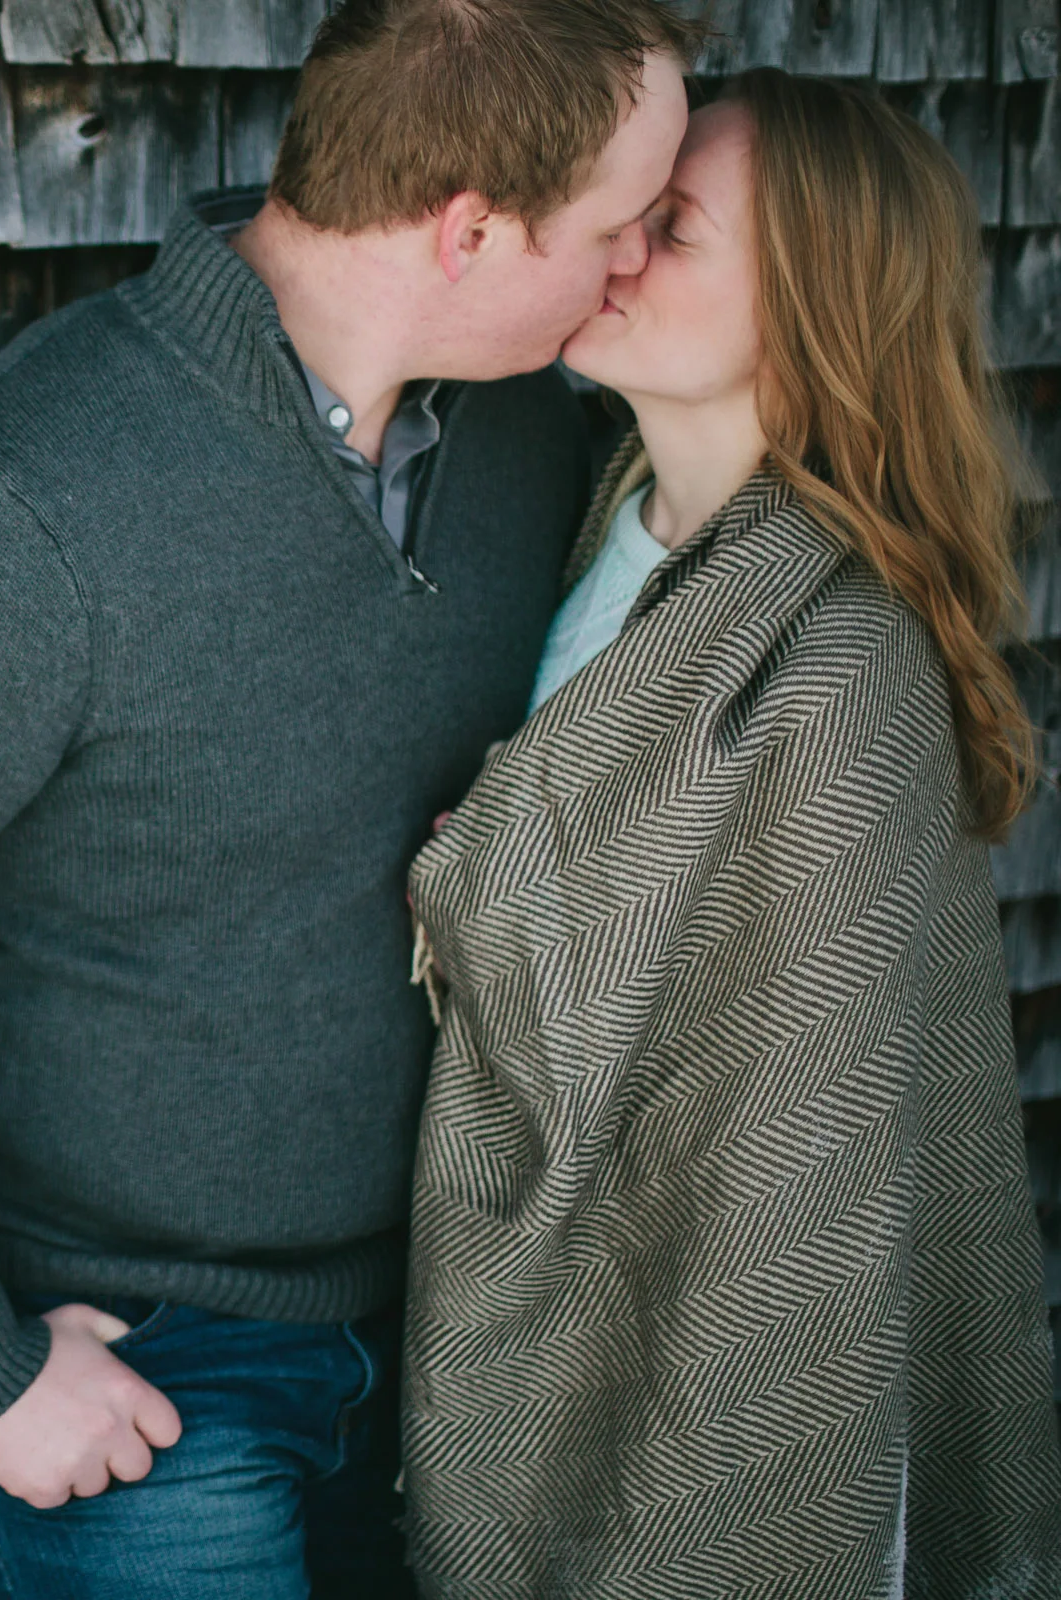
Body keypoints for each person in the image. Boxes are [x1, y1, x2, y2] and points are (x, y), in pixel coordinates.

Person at [0, 1, 700, 1593]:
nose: (639, 262)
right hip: (142, 1370)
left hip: (455, 1323)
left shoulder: (525, 442)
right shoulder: (31, 501)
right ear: (473, 231)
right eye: (621, 228)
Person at [403, 72, 1061, 1597]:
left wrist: (475, 880)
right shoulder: (602, 526)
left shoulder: (846, 668)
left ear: (816, 304)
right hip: (497, 1296)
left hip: (720, 1340)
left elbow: (795, 1137)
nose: (612, 254)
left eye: (670, 231)